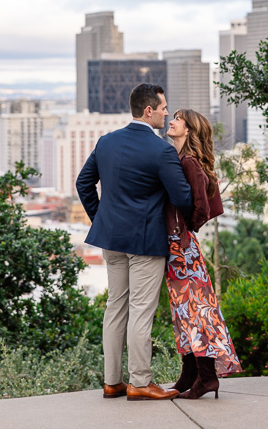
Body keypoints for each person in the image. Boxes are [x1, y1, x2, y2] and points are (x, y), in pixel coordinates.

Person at [76, 83, 193, 401]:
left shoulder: (106, 142)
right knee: (141, 311)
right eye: (164, 107)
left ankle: (112, 381)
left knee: (115, 308)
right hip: (144, 241)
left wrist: (101, 218)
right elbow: (183, 197)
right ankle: (140, 382)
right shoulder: (161, 151)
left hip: (111, 239)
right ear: (149, 110)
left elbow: (83, 183)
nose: (167, 112)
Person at [165, 109, 242, 400]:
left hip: (182, 249)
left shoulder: (189, 163)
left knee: (196, 312)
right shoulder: (182, 160)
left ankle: (207, 377)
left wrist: (184, 231)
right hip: (179, 249)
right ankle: (190, 373)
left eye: (177, 119)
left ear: (188, 130)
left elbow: (201, 208)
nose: (171, 122)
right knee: (184, 311)